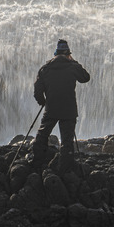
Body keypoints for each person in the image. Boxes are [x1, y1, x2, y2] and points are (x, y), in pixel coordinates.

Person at [31, 39, 90, 172]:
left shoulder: (45, 68)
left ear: (55, 54)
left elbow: (38, 90)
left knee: (42, 135)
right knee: (67, 140)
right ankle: (65, 168)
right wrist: (74, 61)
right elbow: (85, 78)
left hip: (51, 108)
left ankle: (37, 163)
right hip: (69, 109)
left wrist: (42, 102)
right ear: (68, 54)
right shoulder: (72, 66)